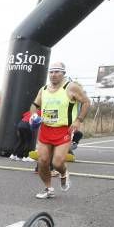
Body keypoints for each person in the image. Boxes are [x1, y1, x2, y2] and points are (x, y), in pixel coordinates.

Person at [30, 61, 90, 199]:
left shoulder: (71, 87)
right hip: (45, 129)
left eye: (57, 72)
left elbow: (86, 102)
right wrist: (33, 115)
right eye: (51, 72)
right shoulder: (43, 89)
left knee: (57, 162)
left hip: (64, 130)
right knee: (42, 161)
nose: (53, 74)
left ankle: (64, 173)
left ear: (63, 73)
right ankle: (48, 189)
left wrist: (78, 120)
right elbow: (34, 105)